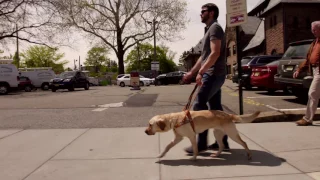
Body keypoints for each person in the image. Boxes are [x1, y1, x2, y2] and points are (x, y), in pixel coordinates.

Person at [182, 3, 229, 153]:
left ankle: (201, 145)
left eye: (203, 11)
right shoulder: (209, 30)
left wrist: (201, 72)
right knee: (216, 109)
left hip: (213, 74)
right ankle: (223, 142)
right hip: (212, 73)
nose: (200, 14)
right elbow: (204, 57)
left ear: (212, 12)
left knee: (198, 106)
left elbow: (214, 53)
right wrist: (192, 73)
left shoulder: (215, 28)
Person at [294, 21, 320, 126]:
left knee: (312, 93)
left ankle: (308, 119)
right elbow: (308, 59)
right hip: (314, 70)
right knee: (314, 94)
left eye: (315, 29)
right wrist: (299, 70)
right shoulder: (314, 43)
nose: (312, 32)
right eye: (312, 29)